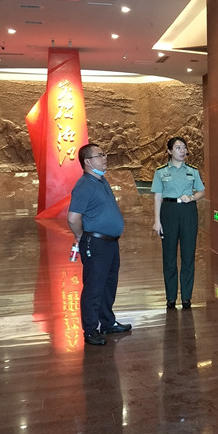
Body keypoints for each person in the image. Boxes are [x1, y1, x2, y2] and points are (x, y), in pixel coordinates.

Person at [67, 143, 132, 346]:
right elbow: (73, 218)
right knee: (94, 287)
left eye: (104, 154)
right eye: (100, 155)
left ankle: (107, 322)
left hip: (111, 243)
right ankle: (90, 329)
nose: (105, 158)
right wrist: (81, 236)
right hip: (96, 243)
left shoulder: (101, 180)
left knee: (108, 285)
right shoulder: (84, 185)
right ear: (88, 161)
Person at [151, 137, 205, 310]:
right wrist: (157, 221)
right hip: (169, 211)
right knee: (169, 256)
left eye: (184, 147)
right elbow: (157, 196)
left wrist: (192, 197)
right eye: (178, 147)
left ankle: (187, 297)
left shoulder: (192, 170)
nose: (182, 151)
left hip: (188, 211)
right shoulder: (160, 172)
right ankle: (171, 297)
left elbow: (201, 191)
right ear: (169, 151)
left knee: (188, 255)